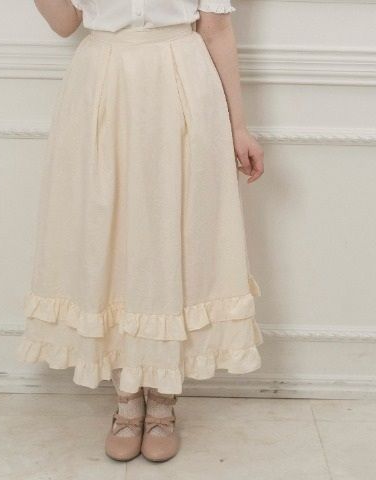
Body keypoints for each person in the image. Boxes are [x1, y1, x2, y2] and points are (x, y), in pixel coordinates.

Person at [18, 0, 265, 463]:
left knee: (174, 237)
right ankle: (127, 400)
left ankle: (163, 403)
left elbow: (216, 30)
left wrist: (239, 127)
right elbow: (65, 23)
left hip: (181, 81)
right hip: (102, 84)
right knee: (107, 239)